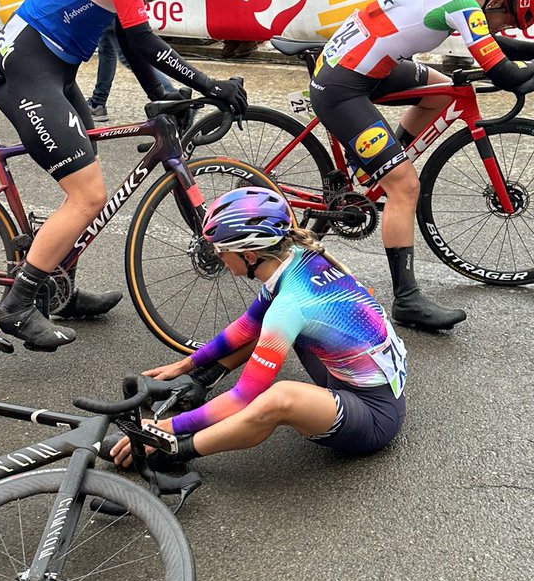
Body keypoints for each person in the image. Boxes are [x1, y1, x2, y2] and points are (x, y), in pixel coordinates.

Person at [0, 0, 248, 351]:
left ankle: (58, 287)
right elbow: (143, 39)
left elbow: (131, 44)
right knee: (86, 194)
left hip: (55, 69)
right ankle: (16, 306)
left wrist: (167, 94)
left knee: (89, 180)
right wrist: (207, 83)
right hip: (28, 67)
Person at [308, 0, 534, 331]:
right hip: (341, 87)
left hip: (361, 66)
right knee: (404, 186)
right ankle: (406, 299)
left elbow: (489, 38)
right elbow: (503, 73)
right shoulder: (463, 5)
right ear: (498, 0)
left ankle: (380, 165)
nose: (507, 28)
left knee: (440, 90)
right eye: (510, 20)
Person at [110, 187, 407, 466]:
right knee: (269, 327)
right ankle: (204, 380)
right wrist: (185, 367)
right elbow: (247, 326)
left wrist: (167, 427)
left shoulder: (290, 303)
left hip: (373, 414)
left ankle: (174, 449)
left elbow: (243, 397)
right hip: (350, 377)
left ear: (249, 256)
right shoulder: (298, 257)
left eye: (219, 250)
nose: (217, 257)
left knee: (279, 399)